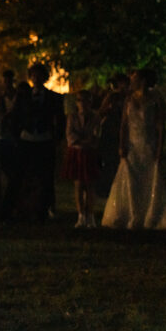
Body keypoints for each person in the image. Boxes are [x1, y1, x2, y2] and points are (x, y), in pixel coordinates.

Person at [102, 69, 166, 229]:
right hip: (132, 145)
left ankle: (151, 215)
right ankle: (133, 215)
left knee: (151, 179)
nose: (130, 81)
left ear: (142, 80)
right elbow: (124, 125)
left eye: (133, 78)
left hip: (149, 143)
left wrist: (160, 147)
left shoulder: (155, 99)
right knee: (131, 180)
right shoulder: (129, 99)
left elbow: (160, 126)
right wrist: (122, 144)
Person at [20, 63, 64, 221]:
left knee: (47, 175)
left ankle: (47, 206)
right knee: (27, 175)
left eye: (39, 75)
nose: (36, 78)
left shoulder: (53, 97)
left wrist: (57, 138)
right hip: (27, 139)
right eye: (33, 75)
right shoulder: (24, 96)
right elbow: (18, 117)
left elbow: (59, 119)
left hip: (45, 139)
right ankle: (28, 207)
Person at [63, 89, 100, 228]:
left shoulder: (95, 117)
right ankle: (81, 216)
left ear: (90, 102)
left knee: (90, 185)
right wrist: (83, 141)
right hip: (77, 152)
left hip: (89, 153)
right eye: (79, 100)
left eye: (85, 100)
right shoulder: (72, 117)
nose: (82, 103)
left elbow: (96, 135)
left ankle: (90, 215)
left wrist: (85, 141)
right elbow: (70, 135)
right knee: (78, 184)